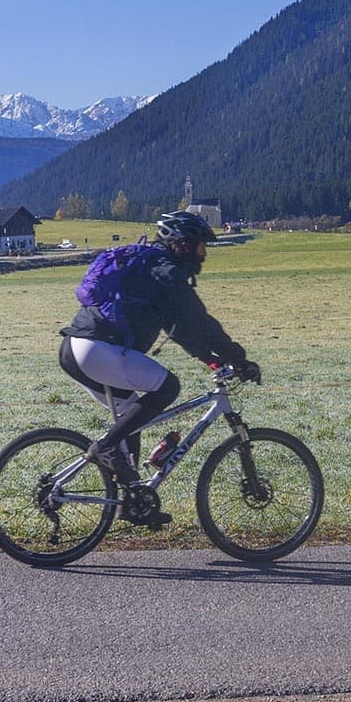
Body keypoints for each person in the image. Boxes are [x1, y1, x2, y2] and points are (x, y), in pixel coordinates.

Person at [58, 210, 259, 523]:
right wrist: (239, 357)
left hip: (75, 349)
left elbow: (181, 330)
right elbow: (200, 323)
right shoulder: (165, 273)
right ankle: (105, 449)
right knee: (168, 387)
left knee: (132, 417)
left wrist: (212, 359)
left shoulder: (151, 270)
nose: (204, 253)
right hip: (98, 349)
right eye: (200, 245)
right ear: (181, 244)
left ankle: (132, 501)